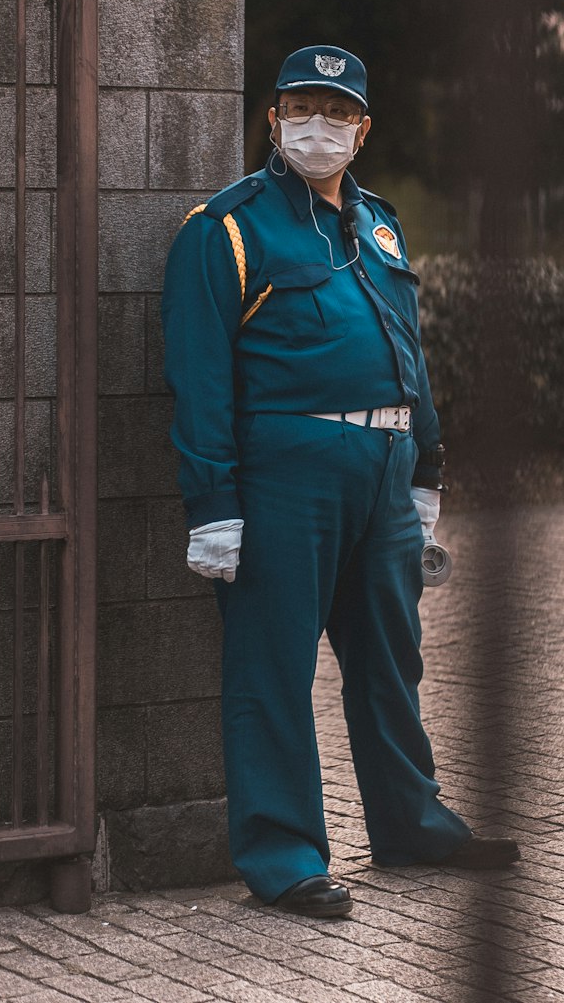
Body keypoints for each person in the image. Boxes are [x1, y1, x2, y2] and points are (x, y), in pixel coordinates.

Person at [161, 45, 520, 919]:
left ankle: (411, 825)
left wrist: (426, 471)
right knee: (273, 667)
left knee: (392, 661)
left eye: (336, 111)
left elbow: (409, 351)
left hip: (386, 474)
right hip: (288, 475)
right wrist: (214, 506)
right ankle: (285, 857)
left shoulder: (380, 225)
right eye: (300, 107)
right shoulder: (228, 228)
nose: (316, 126)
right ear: (274, 116)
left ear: (362, 127)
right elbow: (200, 376)